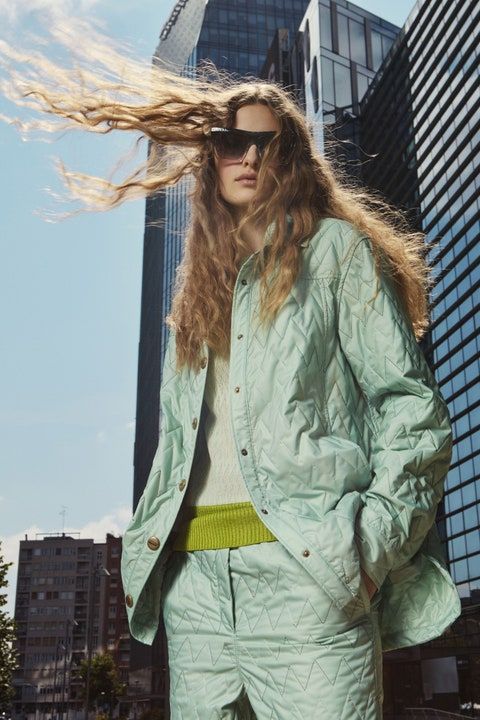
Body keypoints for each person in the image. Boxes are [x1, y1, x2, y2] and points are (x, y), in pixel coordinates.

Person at [0, 20, 461, 719]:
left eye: (264, 144)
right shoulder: (196, 291)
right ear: (210, 159)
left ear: (290, 160)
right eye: (229, 143)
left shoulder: (334, 252)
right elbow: (179, 446)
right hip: (196, 594)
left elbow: (411, 407)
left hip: (309, 575)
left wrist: (369, 547)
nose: (247, 156)